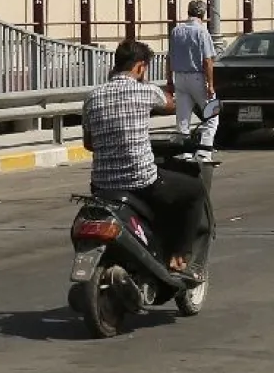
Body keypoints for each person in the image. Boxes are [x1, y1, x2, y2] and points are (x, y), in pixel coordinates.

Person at [83, 40, 207, 276]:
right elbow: (172, 104)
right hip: (141, 182)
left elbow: (89, 144)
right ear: (140, 67)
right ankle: (179, 256)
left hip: (101, 187)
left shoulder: (92, 97)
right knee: (194, 191)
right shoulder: (145, 91)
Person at [169, 0, 219, 156]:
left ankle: (184, 154)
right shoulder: (202, 32)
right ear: (202, 14)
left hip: (180, 77)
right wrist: (210, 84)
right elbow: (207, 60)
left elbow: (169, 57)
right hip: (197, 77)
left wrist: (170, 80)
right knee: (212, 115)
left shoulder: (176, 30)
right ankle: (204, 153)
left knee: (183, 119)